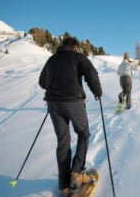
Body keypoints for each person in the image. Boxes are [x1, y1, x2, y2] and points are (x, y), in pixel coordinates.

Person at [39, 37, 102, 196]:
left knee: (63, 141)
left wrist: (56, 86)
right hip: (73, 102)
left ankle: (64, 185)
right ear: (75, 47)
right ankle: (76, 173)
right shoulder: (78, 57)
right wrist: (98, 93)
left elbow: (42, 82)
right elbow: (92, 74)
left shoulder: (51, 59)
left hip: (53, 103)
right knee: (83, 133)